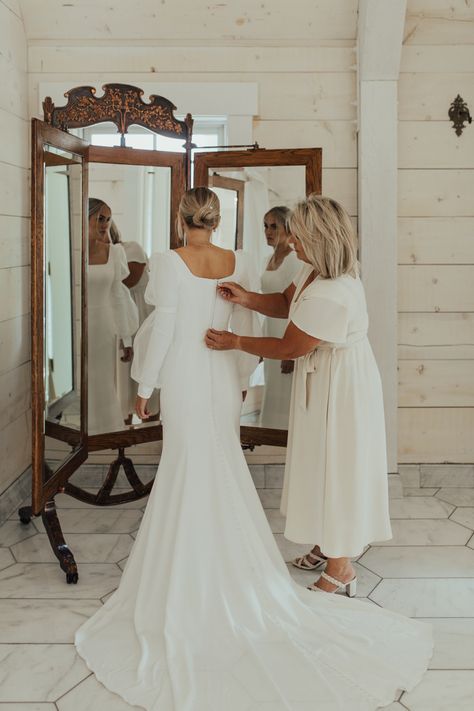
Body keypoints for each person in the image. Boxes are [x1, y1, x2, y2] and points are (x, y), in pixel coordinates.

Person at [74, 188, 432, 711]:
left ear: (181, 218)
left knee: (221, 464)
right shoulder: (259, 263)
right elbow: (266, 310)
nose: (291, 241)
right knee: (230, 462)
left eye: (298, 236)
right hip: (223, 378)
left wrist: (148, 382)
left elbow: (215, 332)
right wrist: (240, 357)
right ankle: (300, 552)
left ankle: (315, 561)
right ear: (215, 219)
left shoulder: (177, 265)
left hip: (244, 377)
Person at [87, 199, 138, 433]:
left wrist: (126, 339)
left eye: (108, 219)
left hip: (105, 326)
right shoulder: (70, 250)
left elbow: (119, 296)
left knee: (104, 380)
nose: (105, 224)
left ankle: (104, 432)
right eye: (100, 218)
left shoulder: (115, 253)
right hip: (77, 328)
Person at [109, 220, 159, 422]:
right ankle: (124, 425)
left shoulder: (131, 248)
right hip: (116, 315)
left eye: (105, 221)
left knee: (145, 366)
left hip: (141, 314)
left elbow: (127, 282)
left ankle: (150, 421)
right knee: (122, 372)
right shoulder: (98, 255)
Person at [259, 206, 300, 428]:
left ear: (287, 227)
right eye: (265, 226)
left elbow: (297, 304)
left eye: (274, 226)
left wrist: (291, 352)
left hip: (286, 331)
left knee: (286, 388)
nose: (268, 231)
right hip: (269, 329)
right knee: (272, 385)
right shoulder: (267, 259)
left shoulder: (295, 261)